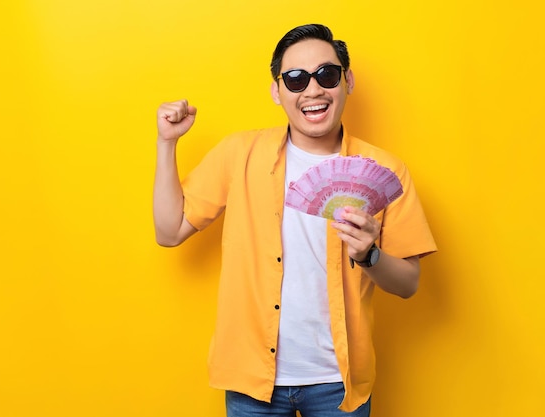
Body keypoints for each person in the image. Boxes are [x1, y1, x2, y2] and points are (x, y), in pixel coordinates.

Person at [153, 23, 436, 417]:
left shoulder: (386, 169)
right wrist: (167, 143)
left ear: (347, 80)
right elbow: (169, 231)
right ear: (277, 91)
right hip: (252, 379)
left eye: (327, 74)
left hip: (339, 383)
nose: (313, 90)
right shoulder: (239, 154)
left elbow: (408, 283)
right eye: (296, 79)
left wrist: (370, 254)